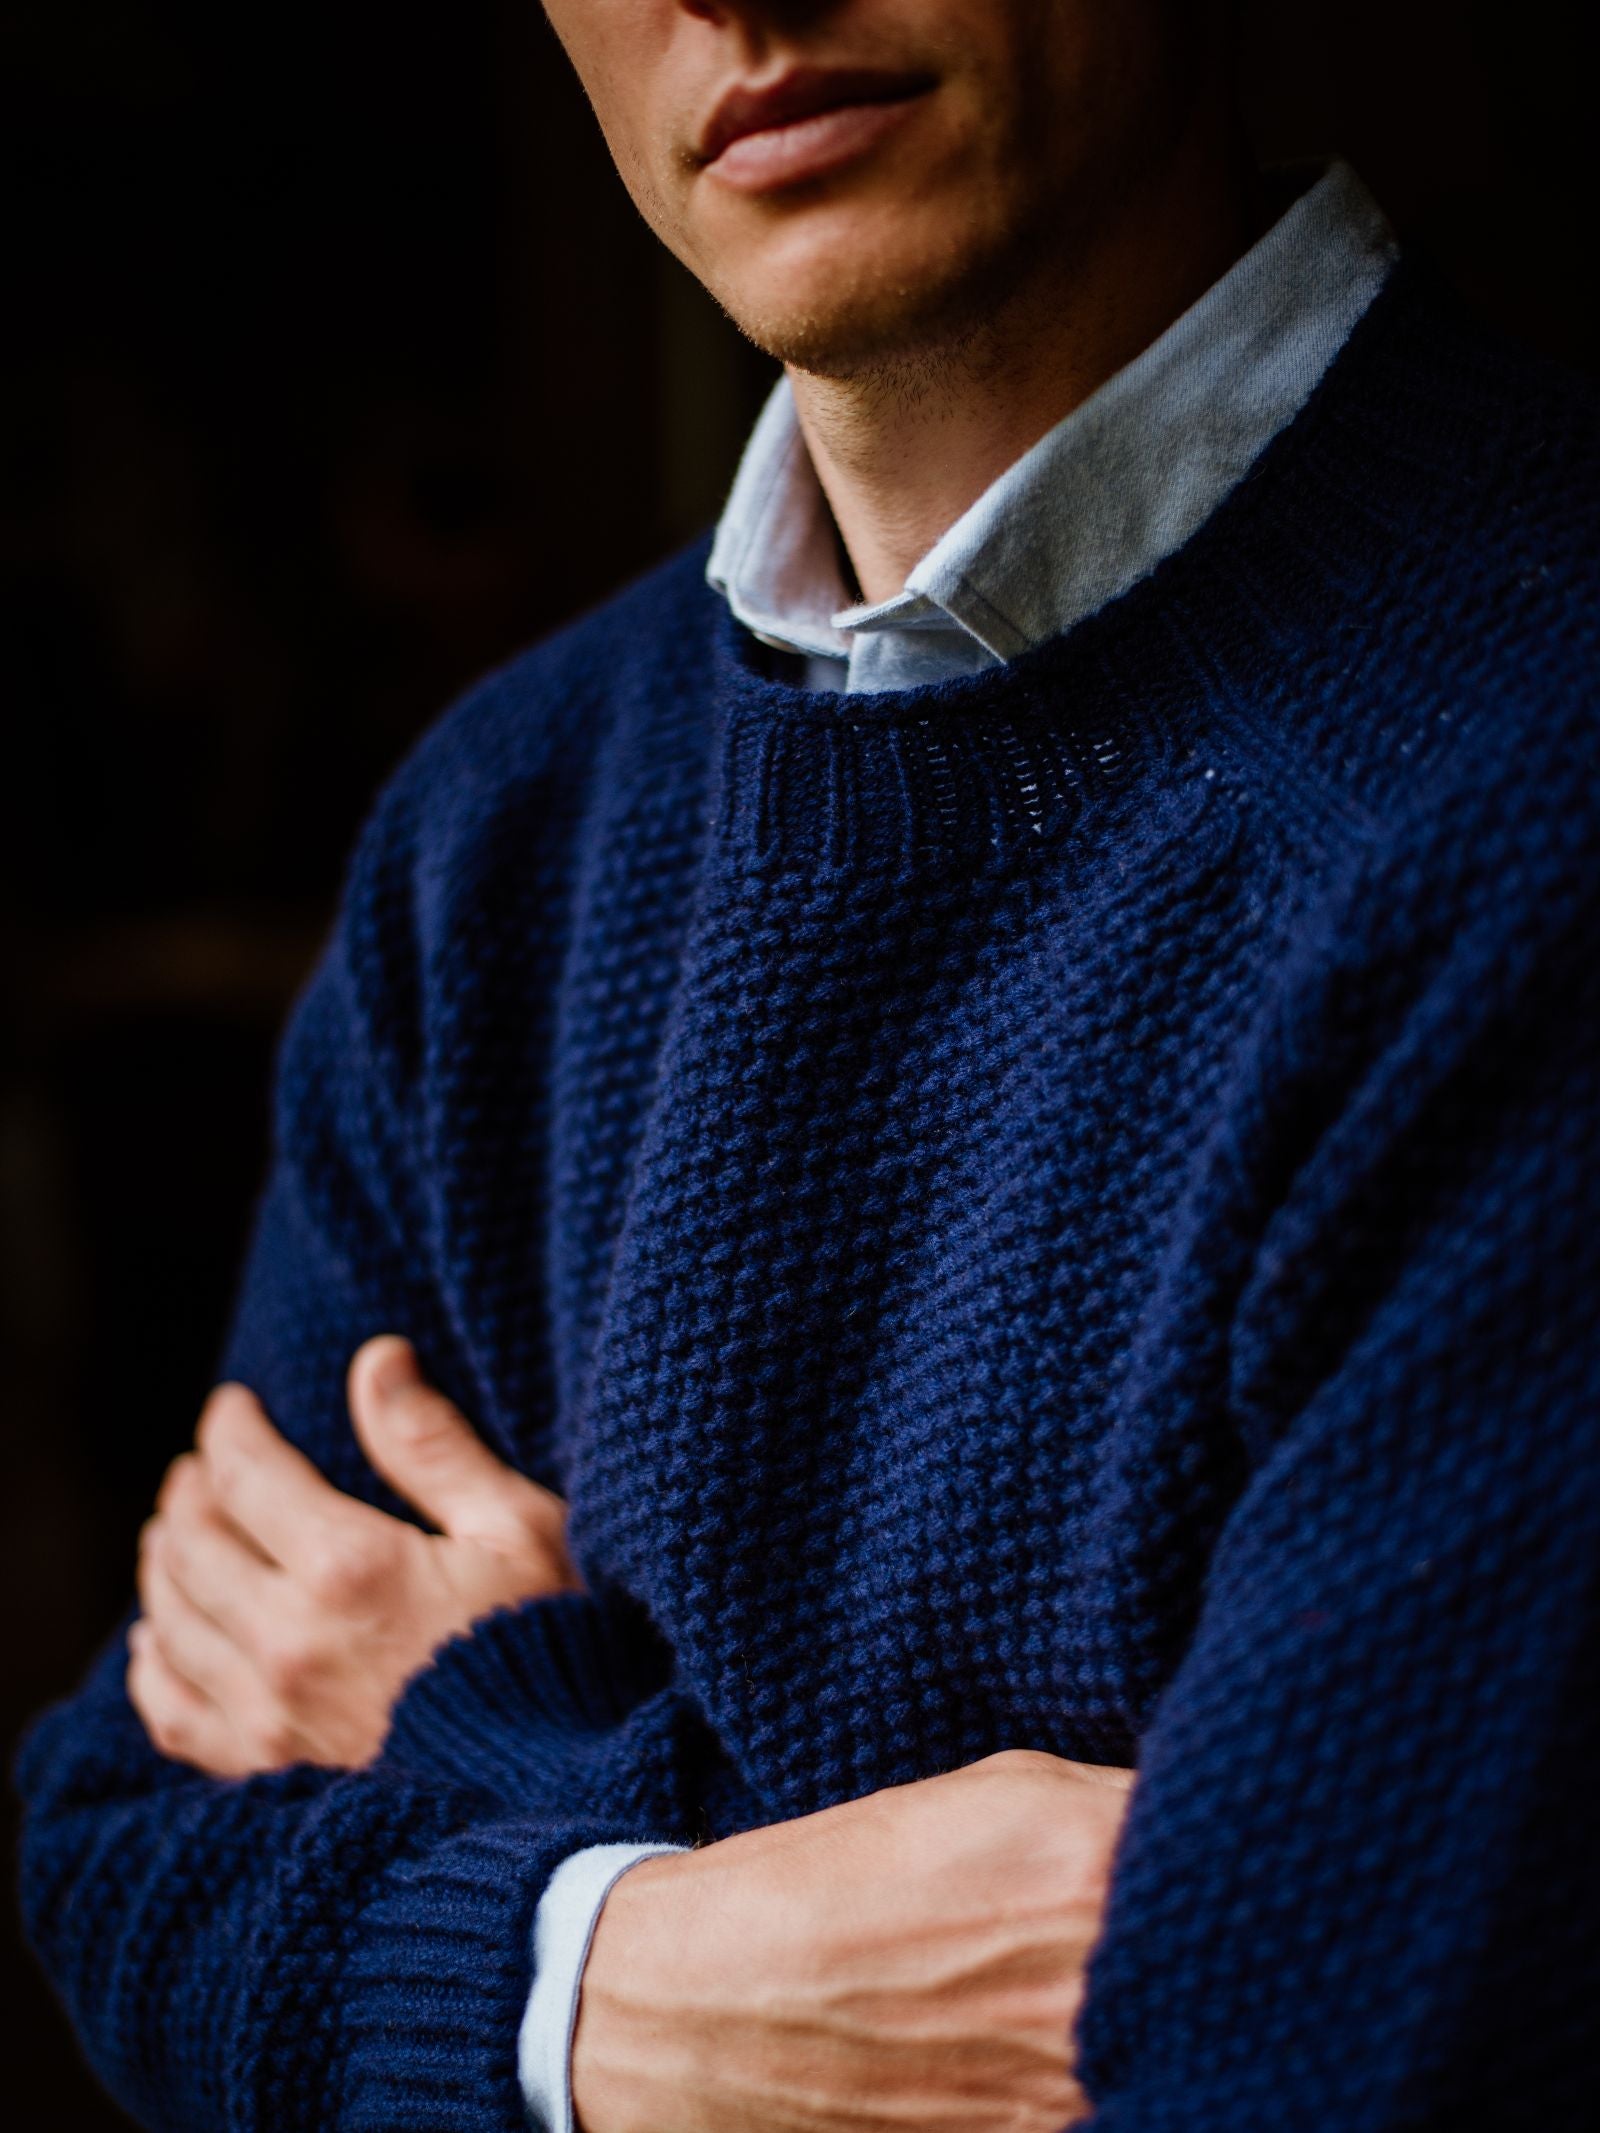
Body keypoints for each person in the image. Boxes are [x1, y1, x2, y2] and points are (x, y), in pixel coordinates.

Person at [17, 3, 1600, 2131]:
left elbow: (1292, 2060)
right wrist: (634, 1969)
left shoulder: (1536, 798)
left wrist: (469, 1748)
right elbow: (127, 1854)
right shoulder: (501, 829)